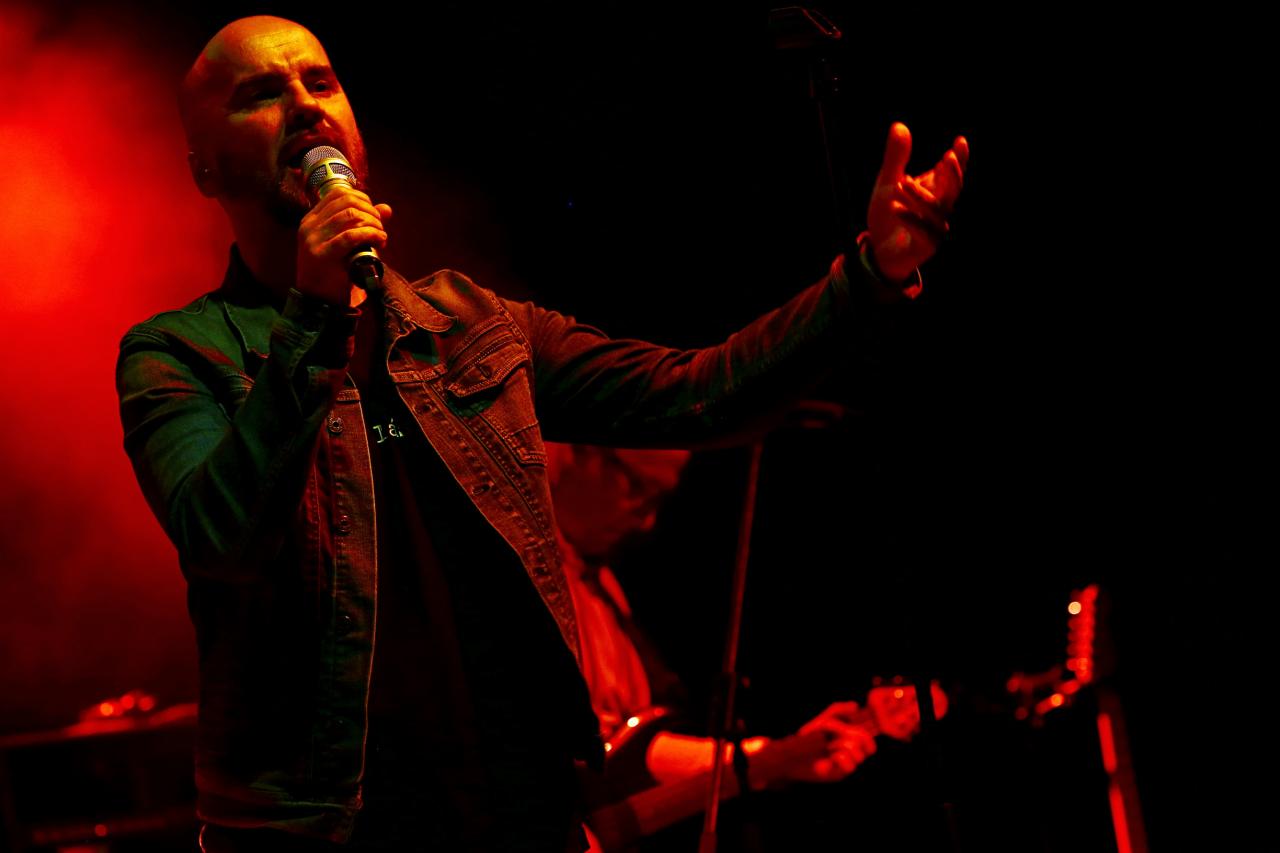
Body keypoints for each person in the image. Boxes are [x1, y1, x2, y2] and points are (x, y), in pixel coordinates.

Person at [114, 14, 967, 853]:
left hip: (522, 814)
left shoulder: (473, 324)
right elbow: (222, 536)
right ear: (203, 166)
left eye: (321, 82)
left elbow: (700, 394)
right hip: (321, 829)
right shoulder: (178, 354)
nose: (305, 105)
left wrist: (870, 275)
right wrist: (312, 313)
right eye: (262, 94)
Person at [547, 442, 881, 849]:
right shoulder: (527, 578)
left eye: (658, 500)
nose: (648, 521)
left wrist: (780, 757)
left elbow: (625, 753)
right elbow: (592, 755)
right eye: (638, 489)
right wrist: (767, 758)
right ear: (575, 454)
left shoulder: (603, 586)